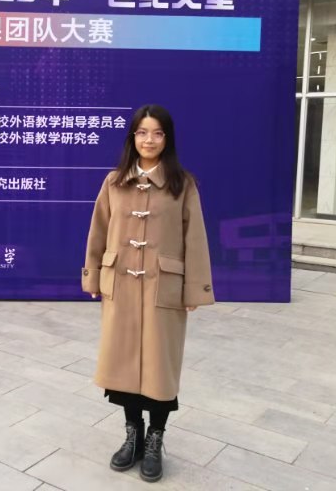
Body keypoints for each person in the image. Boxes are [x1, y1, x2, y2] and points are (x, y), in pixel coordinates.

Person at [81, 104, 215, 483]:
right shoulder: (114, 182)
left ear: (166, 139)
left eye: (157, 133)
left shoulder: (182, 184)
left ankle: (155, 439)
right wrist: (94, 277)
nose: (149, 140)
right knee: (122, 365)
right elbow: (98, 230)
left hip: (163, 288)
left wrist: (194, 288)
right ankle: (133, 436)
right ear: (133, 137)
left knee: (160, 369)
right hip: (121, 287)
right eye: (142, 132)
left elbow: (195, 238)